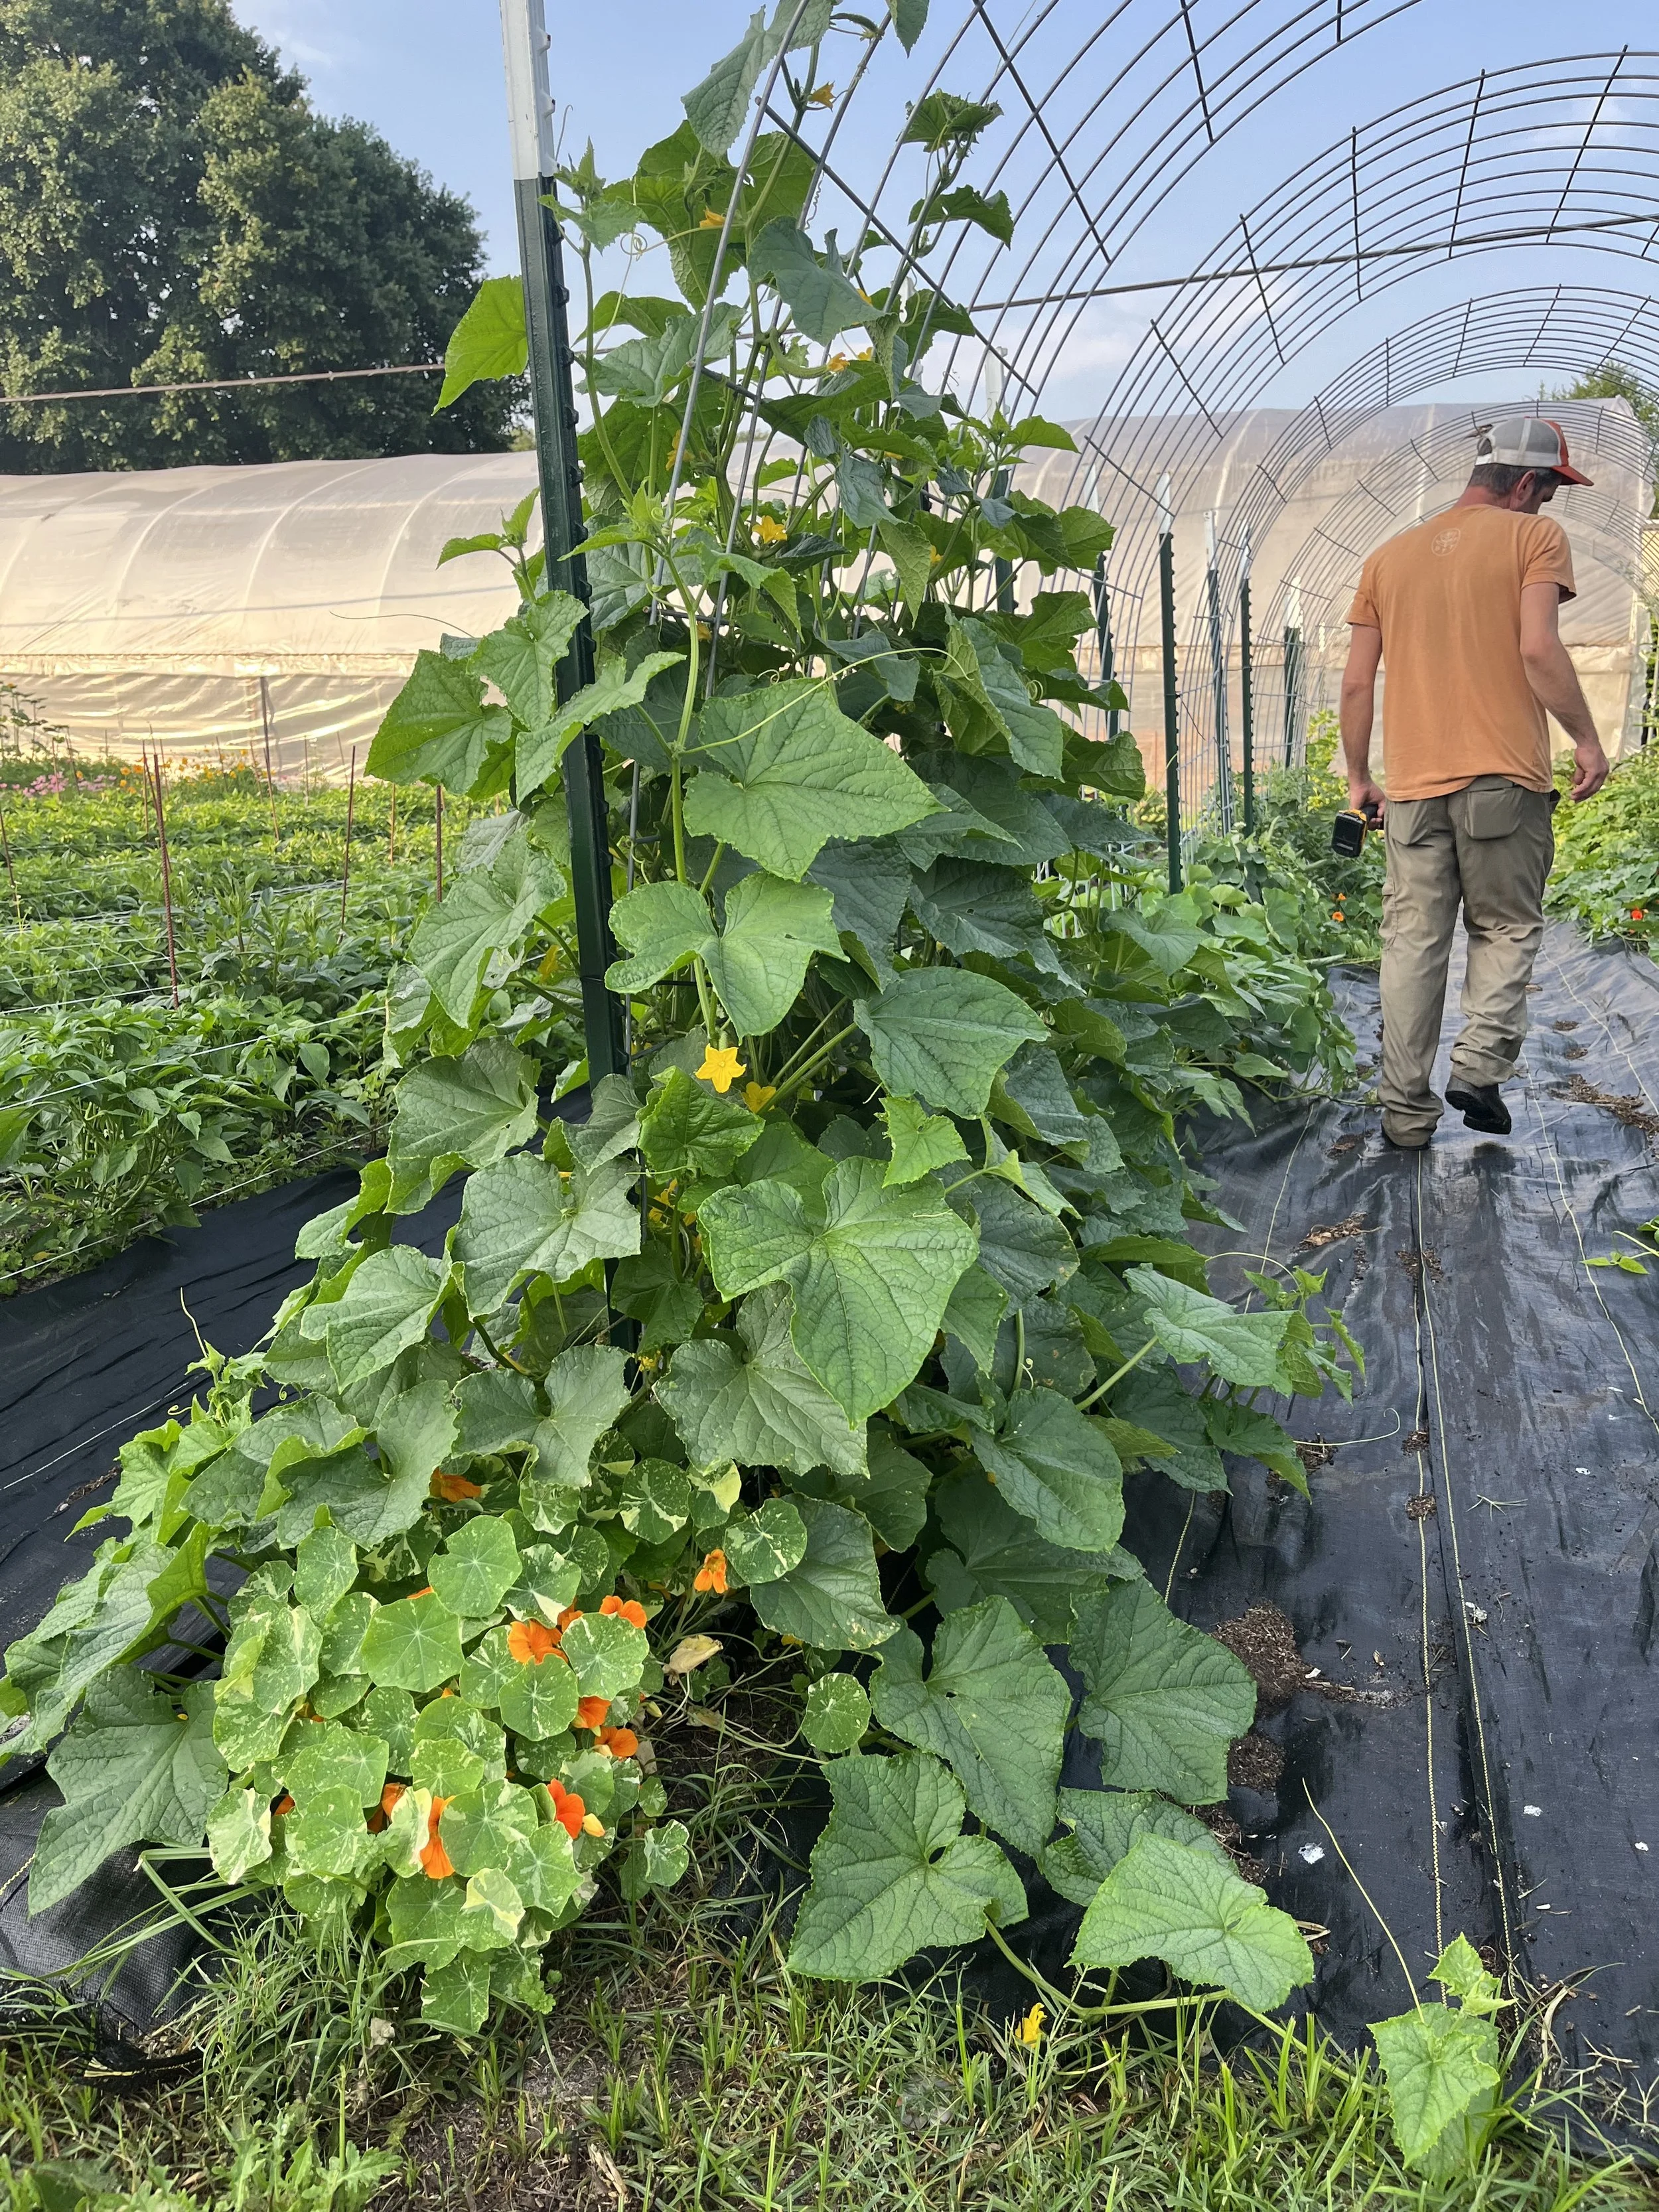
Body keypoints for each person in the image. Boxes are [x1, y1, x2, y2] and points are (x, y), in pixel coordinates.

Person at [1338, 415, 1611, 1149]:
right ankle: (1478, 1067)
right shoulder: (1532, 539)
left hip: (1413, 792)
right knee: (1505, 926)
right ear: (1524, 482)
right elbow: (1536, 645)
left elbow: (1358, 684)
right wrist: (1586, 738)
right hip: (1503, 783)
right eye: (1548, 491)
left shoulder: (1387, 557)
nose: (1548, 505)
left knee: (1412, 943)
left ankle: (1404, 1117)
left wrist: (1360, 777)